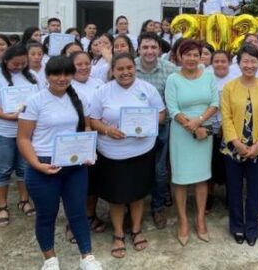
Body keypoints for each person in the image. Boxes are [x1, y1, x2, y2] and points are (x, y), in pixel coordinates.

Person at [16, 56, 103, 270]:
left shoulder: (81, 97)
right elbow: (23, 138)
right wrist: (36, 164)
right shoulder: (35, 101)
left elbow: (86, 128)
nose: (62, 78)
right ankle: (50, 259)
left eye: (66, 74)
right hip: (44, 166)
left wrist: (88, 151)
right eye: (56, 74)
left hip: (74, 166)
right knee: (47, 214)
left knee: (78, 212)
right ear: (47, 76)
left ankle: (87, 256)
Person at [87, 53, 166, 259]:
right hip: (112, 153)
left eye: (129, 68)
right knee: (117, 196)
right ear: (112, 71)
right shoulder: (102, 91)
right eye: (120, 69)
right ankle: (119, 233)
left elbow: (161, 113)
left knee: (138, 194)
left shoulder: (147, 89)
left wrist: (148, 125)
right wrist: (107, 130)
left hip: (141, 150)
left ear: (135, 68)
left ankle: (137, 229)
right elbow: (93, 119)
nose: (125, 72)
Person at [165, 39, 220, 245]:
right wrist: (192, 126)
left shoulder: (208, 76)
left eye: (195, 55)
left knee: (201, 177)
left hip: (204, 131)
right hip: (181, 132)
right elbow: (172, 109)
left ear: (200, 56)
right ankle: (182, 221)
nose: (191, 58)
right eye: (186, 54)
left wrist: (199, 122)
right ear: (179, 56)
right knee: (180, 179)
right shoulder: (173, 79)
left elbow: (215, 103)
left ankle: (200, 219)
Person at [220, 44, 258, 246]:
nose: (249, 65)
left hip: (257, 149)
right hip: (233, 147)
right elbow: (226, 117)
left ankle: (252, 228)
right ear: (239, 63)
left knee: (253, 190)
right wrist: (236, 142)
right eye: (245, 61)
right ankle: (237, 227)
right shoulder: (229, 87)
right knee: (234, 190)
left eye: (253, 61)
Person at [0, 43, 39, 226]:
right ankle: (2, 207)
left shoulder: (33, 76)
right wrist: (6, 116)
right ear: (5, 61)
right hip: (1, 132)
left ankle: (24, 200)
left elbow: (39, 99)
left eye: (23, 63)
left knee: (24, 168)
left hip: (26, 132)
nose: (19, 67)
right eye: (15, 64)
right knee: (3, 169)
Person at [133, 32, 178, 229]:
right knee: (135, 170)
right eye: (145, 47)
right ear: (139, 48)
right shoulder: (130, 67)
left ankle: (158, 206)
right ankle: (133, 210)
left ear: (159, 49)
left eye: (153, 47)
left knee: (159, 171)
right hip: (133, 129)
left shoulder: (169, 69)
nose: (149, 51)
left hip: (161, 126)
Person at [69, 51, 107, 235]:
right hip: (77, 140)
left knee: (93, 182)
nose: (84, 67)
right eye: (79, 64)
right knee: (75, 184)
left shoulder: (99, 83)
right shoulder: (66, 84)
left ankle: (90, 214)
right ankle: (74, 222)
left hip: (100, 139)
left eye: (87, 63)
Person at [209, 50, 237, 209]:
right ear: (212, 63)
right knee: (210, 163)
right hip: (209, 128)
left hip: (230, 130)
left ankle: (230, 196)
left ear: (229, 63)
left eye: (223, 61)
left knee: (229, 164)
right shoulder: (206, 79)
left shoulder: (235, 81)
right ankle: (209, 195)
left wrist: (226, 127)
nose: (220, 64)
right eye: (216, 61)